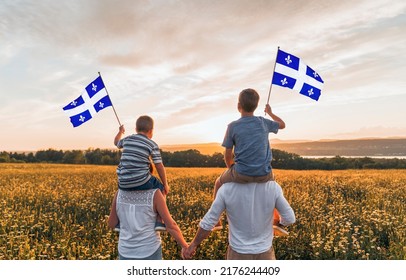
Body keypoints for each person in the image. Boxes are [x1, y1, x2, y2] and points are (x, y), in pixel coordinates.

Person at [212, 88, 286, 234]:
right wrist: (270, 112)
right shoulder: (263, 122)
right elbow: (282, 124)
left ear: (238, 106)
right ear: (256, 106)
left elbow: (227, 155)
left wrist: (231, 169)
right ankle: (277, 220)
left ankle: (216, 220)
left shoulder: (232, 126)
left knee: (218, 183)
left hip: (241, 173)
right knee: (273, 187)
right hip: (264, 173)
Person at [183, 180, 295, 260]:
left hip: (238, 254)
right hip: (265, 254)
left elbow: (208, 222)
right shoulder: (273, 186)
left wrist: (193, 245)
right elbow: (289, 218)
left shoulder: (226, 188)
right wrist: (277, 225)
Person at [114, 115, 169, 231]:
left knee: (121, 194)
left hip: (122, 182)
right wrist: (165, 184)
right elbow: (159, 165)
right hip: (141, 180)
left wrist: (120, 132)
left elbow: (116, 142)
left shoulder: (127, 139)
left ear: (136, 129)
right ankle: (160, 220)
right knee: (161, 188)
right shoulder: (152, 144)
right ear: (151, 131)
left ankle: (118, 222)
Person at [107, 189, 188, 260]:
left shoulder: (119, 193)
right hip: (150, 251)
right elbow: (171, 226)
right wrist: (185, 246)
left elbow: (111, 223)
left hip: (125, 251)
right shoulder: (155, 194)